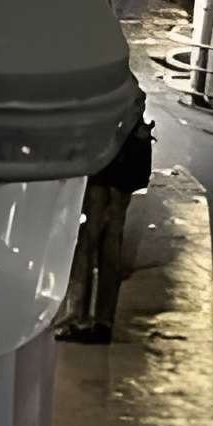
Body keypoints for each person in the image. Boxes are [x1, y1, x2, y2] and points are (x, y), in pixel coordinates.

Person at [62, 113, 156, 343]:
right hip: (122, 179)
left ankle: (77, 318)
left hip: (101, 175)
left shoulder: (105, 94)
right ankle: (103, 321)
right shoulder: (131, 95)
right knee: (111, 248)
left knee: (85, 246)